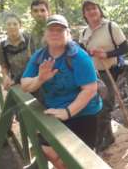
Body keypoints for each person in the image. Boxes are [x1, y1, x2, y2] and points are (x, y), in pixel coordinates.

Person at [21, 14, 102, 169]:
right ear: (45, 34)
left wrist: (68, 112)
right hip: (55, 111)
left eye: (60, 30)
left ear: (68, 34)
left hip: (84, 112)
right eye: (52, 29)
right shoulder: (39, 56)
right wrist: (40, 79)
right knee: (48, 149)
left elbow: (90, 89)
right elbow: (25, 85)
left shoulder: (79, 56)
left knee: (80, 158)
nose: (55, 33)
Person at [79, 0, 128, 152]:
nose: (92, 11)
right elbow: (81, 53)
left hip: (109, 73)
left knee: (105, 106)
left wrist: (106, 54)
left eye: (94, 8)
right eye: (88, 10)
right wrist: (89, 53)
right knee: (95, 106)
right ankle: (106, 137)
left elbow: (125, 48)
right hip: (91, 74)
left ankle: (102, 139)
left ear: (99, 10)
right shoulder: (84, 32)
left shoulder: (111, 27)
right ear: (84, 14)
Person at [0, 13, 35, 90]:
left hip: (33, 80)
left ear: (20, 25)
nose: (12, 27)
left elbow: (35, 62)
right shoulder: (2, 46)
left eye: (15, 24)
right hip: (16, 84)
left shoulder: (30, 39)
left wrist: (16, 80)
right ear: (5, 26)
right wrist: (5, 77)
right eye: (9, 24)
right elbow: (4, 66)